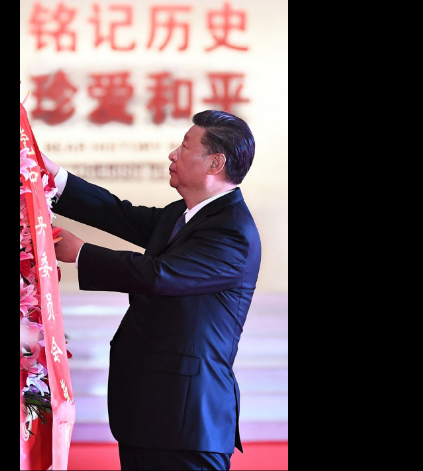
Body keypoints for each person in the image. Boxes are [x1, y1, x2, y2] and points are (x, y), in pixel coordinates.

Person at [42, 110, 261, 471]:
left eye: (185, 147)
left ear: (215, 163)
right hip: (151, 413)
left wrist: (81, 253)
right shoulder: (183, 214)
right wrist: (54, 177)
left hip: (187, 422)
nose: (173, 154)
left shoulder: (232, 232)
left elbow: (160, 276)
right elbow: (119, 214)